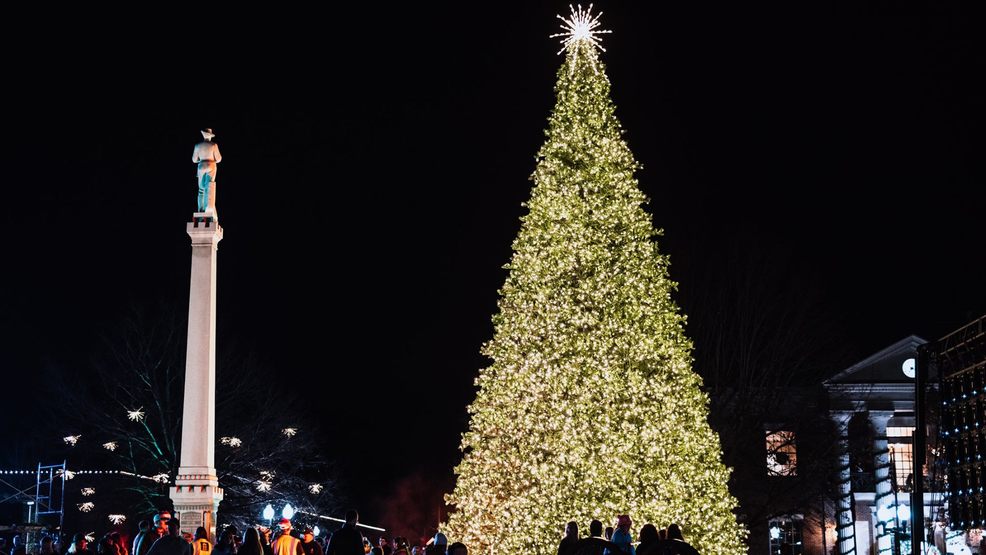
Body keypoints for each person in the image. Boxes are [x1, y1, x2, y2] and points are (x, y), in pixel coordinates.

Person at [191, 128, 222, 215]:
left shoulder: (197, 146)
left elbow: (194, 160)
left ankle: (201, 209)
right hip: (211, 165)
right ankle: (208, 206)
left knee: (201, 189)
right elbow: (219, 159)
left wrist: (201, 160)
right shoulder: (213, 145)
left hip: (201, 165)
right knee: (209, 186)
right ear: (210, 136)